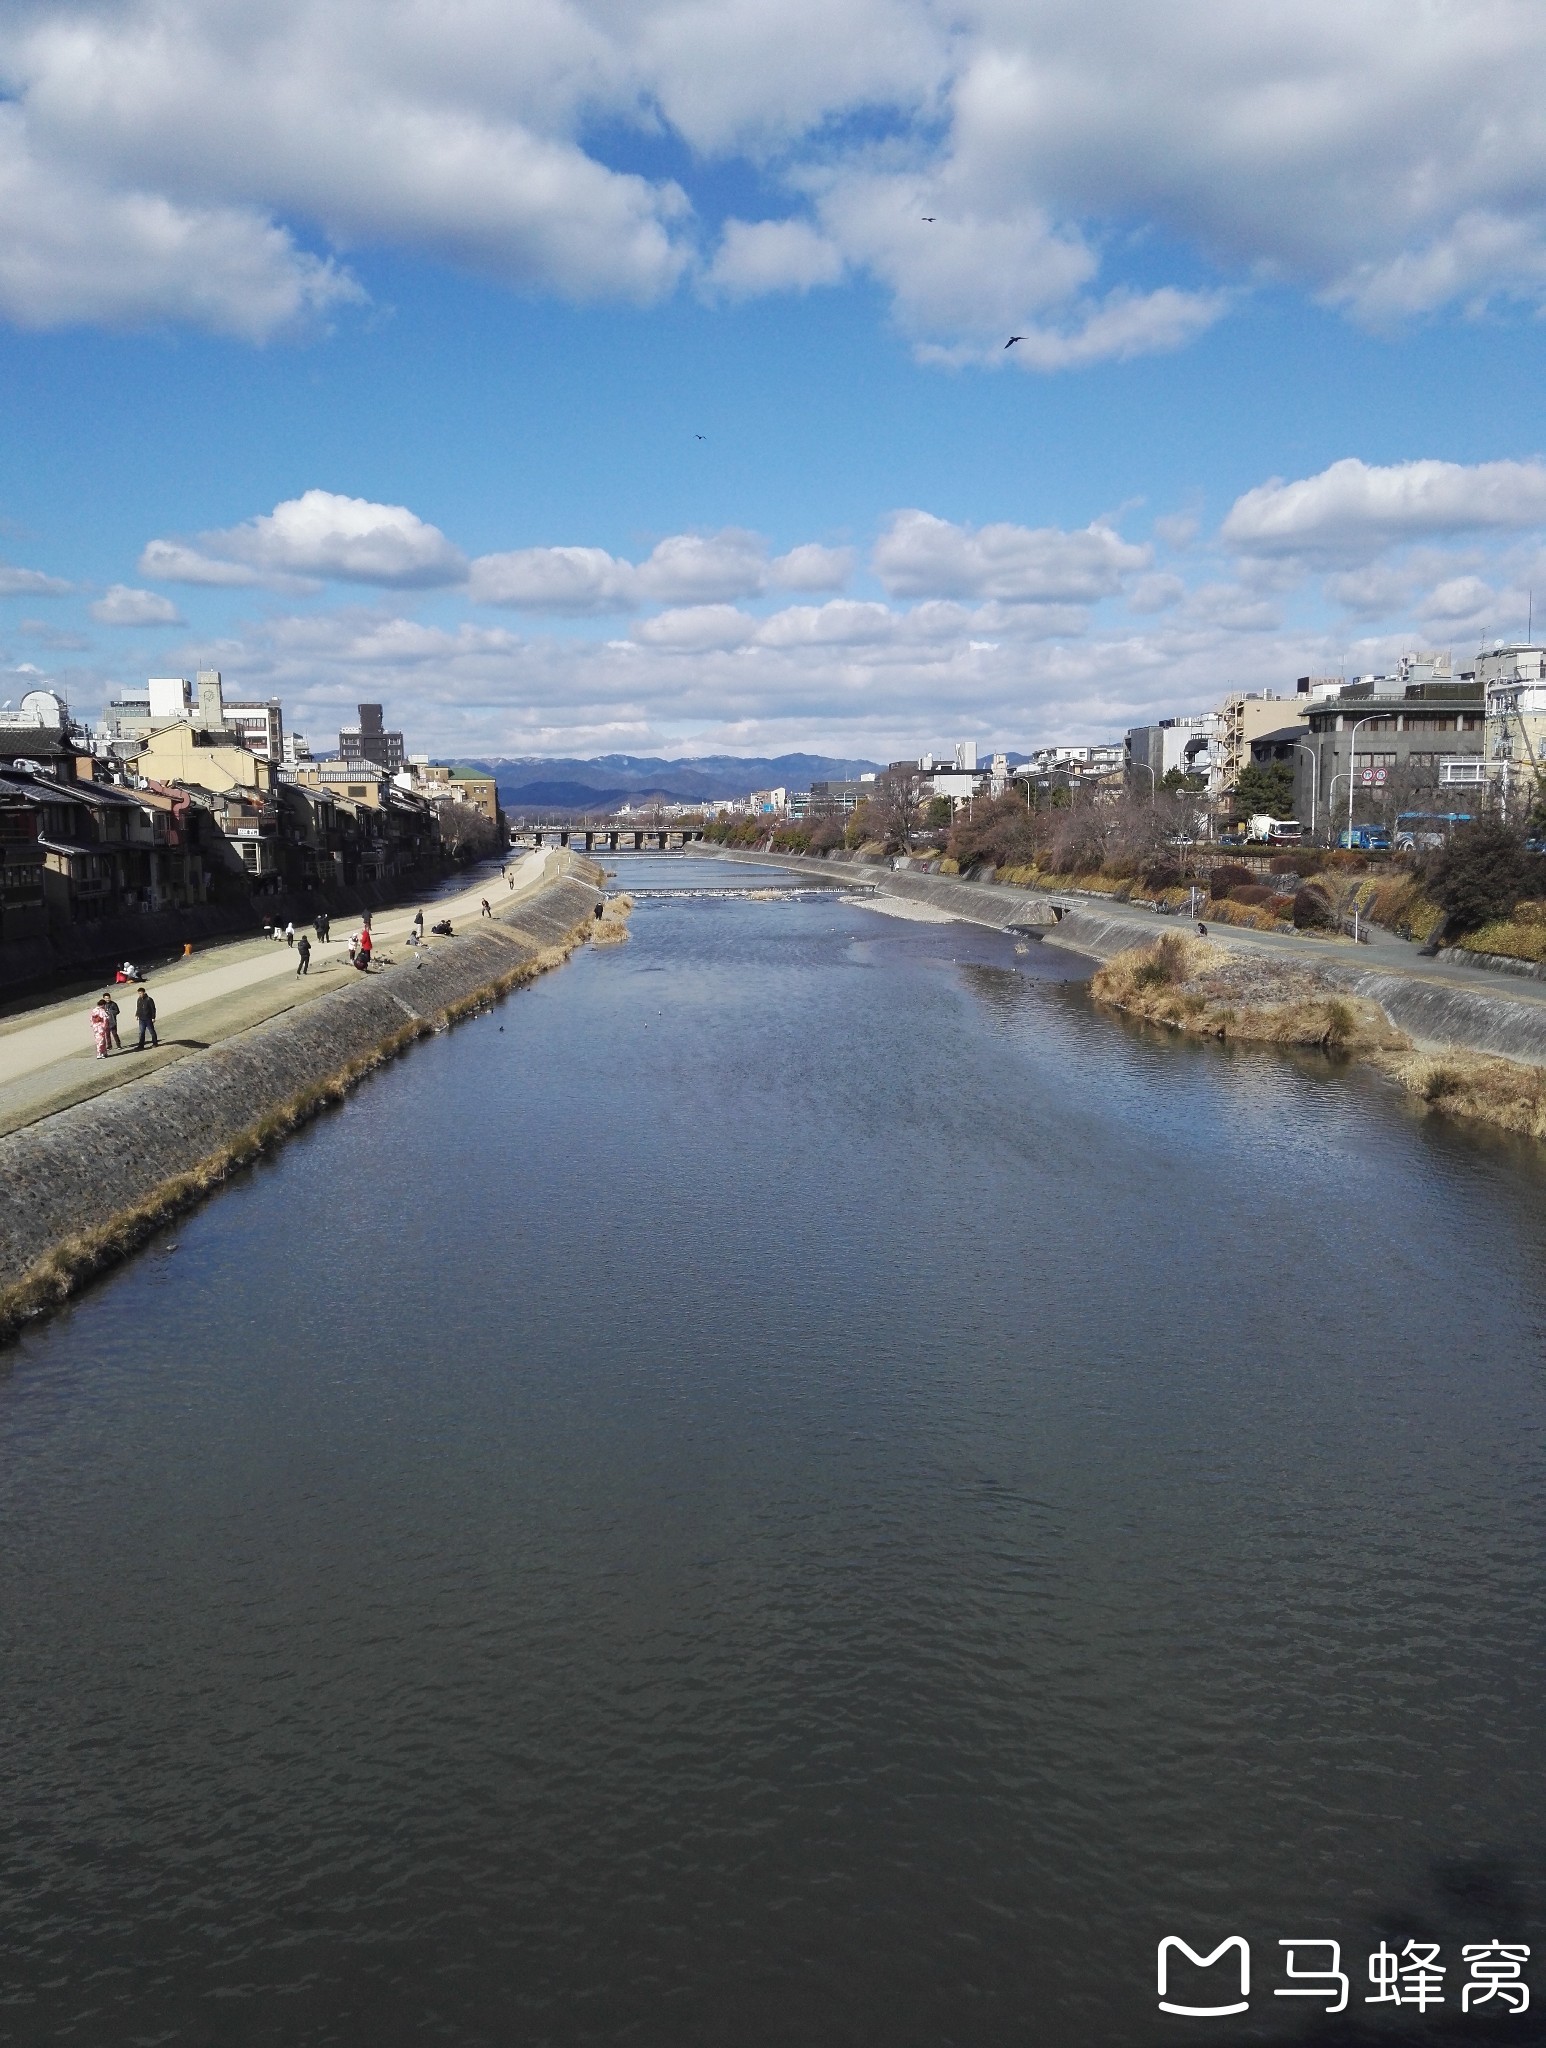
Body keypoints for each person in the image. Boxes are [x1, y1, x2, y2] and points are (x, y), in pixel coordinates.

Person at [134, 983, 158, 1050]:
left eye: (141, 993)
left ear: (144, 992)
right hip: (141, 1018)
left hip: (148, 1018)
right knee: (141, 1032)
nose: (140, 994)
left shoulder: (149, 999)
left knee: (151, 1031)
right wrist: (137, 1014)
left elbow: (153, 1008)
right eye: (139, 993)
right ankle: (141, 1045)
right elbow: (138, 1008)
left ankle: (155, 1043)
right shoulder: (139, 999)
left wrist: (153, 1017)